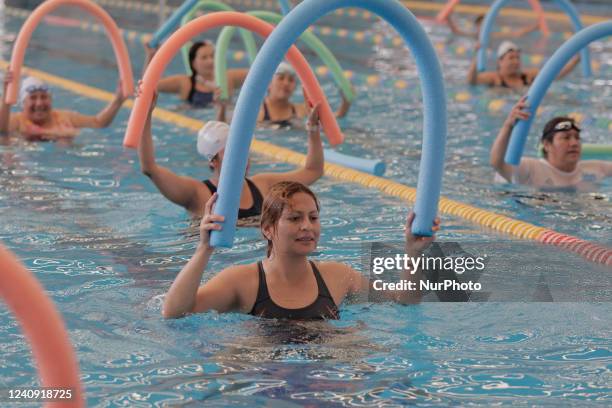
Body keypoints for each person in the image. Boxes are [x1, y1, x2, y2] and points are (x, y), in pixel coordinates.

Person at [162, 181, 440, 319]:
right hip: (263, 371)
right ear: (268, 229)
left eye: (313, 218)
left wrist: (413, 252)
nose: (307, 226)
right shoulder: (242, 281)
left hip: (327, 371)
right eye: (295, 219)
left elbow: (405, 301)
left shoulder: (337, 277)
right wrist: (204, 249)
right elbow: (174, 313)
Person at [138, 92, 325, 221]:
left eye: (243, 149)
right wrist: (146, 113)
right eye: (232, 151)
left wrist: (313, 129)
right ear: (213, 160)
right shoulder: (197, 194)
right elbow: (149, 167)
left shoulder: (263, 186)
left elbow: (313, 171)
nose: (241, 156)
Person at [490, 96, 612, 189]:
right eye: (566, 137)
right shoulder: (531, 169)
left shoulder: (595, 168)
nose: (574, 143)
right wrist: (508, 126)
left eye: (576, 137)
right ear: (547, 145)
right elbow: (498, 163)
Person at [0, 73, 127, 141]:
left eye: (44, 97)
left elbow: (98, 123)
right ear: (23, 103)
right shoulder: (17, 121)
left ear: (51, 100)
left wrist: (118, 100)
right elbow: (2, 130)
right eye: (33, 98)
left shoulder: (63, 117)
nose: (39, 103)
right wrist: (6, 95)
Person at [241, 62, 351, 129]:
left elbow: (332, 120)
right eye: (281, 78)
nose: (286, 83)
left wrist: (346, 102)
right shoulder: (256, 111)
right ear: (269, 84)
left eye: (291, 80)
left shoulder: (300, 110)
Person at [144, 41, 248, 108]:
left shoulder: (228, 78)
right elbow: (149, 85)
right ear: (193, 63)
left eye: (212, 56)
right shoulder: (185, 83)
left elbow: (258, 75)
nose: (210, 61)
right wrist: (151, 57)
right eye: (204, 57)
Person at [468, 41, 580, 88]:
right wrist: (475, 57)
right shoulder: (494, 78)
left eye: (517, 58)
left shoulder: (529, 75)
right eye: (511, 58)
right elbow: (472, 81)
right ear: (500, 61)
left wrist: (575, 60)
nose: (515, 61)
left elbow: (555, 75)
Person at [448, 12, 539, 40]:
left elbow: (516, 34)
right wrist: (448, 19)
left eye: (485, 25)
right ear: (476, 26)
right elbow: (456, 32)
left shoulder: (493, 35)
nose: (483, 28)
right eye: (481, 25)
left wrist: (533, 27)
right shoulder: (474, 35)